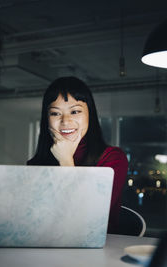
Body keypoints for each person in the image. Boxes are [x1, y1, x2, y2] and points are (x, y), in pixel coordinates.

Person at [27, 76, 128, 234]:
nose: (65, 121)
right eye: (55, 113)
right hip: (46, 246)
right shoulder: (36, 164)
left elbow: (90, 219)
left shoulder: (113, 158)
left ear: (90, 114)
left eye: (75, 111)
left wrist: (66, 160)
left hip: (97, 250)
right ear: (46, 119)